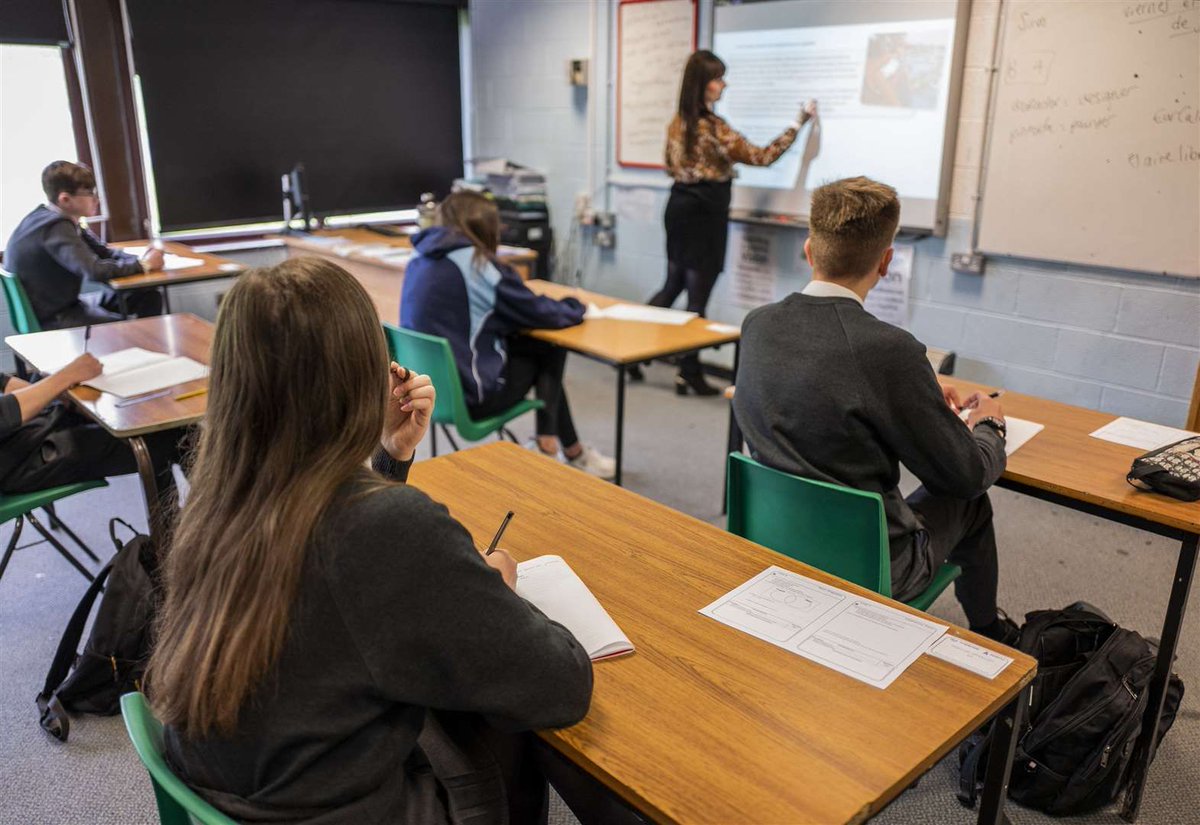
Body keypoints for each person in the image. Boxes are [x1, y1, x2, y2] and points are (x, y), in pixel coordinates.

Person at [147, 258, 596, 824]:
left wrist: (390, 455)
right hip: (347, 806)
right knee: (506, 719)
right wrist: (500, 589)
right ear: (359, 373)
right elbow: (560, 685)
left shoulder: (218, 495)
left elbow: (333, 569)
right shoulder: (390, 528)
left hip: (260, 788)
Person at [733, 177, 1018, 645]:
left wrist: (919, 388)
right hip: (869, 568)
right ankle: (992, 632)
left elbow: (825, 384)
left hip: (772, 544)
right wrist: (989, 425)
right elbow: (964, 475)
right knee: (971, 502)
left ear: (809, 250)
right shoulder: (889, 351)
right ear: (886, 262)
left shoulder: (757, 325)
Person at [401, 190, 616, 480]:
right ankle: (550, 445)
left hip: (426, 393)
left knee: (532, 346)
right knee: (548, 346)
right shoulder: (478, 265)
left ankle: (564, 448)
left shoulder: (420, 256)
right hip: (472, 399)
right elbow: (541, 313)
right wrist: (575, 305)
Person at [639, 50, 816, 395]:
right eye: (718, 78)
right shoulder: (713, 128)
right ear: (702, 86)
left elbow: (668, 165)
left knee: (674, 283)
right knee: (697, 296)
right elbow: (762, 157)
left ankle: (632, 348)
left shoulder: (677, 123)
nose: (724, 85)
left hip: (679, 207)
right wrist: (798, 123)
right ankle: (688, 371)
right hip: (705, 214)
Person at [0, 354, 186, 501]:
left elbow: (4, 384)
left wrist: (54, 393)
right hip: (19, 459)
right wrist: (64, 377)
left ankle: (186, 526)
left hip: (24, 430)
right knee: (169, 437)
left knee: (142, 418)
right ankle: (189, 532)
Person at [3, 161, 164, 330]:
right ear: (65, 199)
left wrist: (141, 260)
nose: (97, 199)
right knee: (128, 330)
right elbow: (93, 270)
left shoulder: (51, 217)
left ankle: (146, 349)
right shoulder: (55, 227)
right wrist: (143, 265)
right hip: (57, 316)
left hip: (62, 306)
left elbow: (102, 252)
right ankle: (143, 347)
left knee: (149, 295)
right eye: (89, 193)